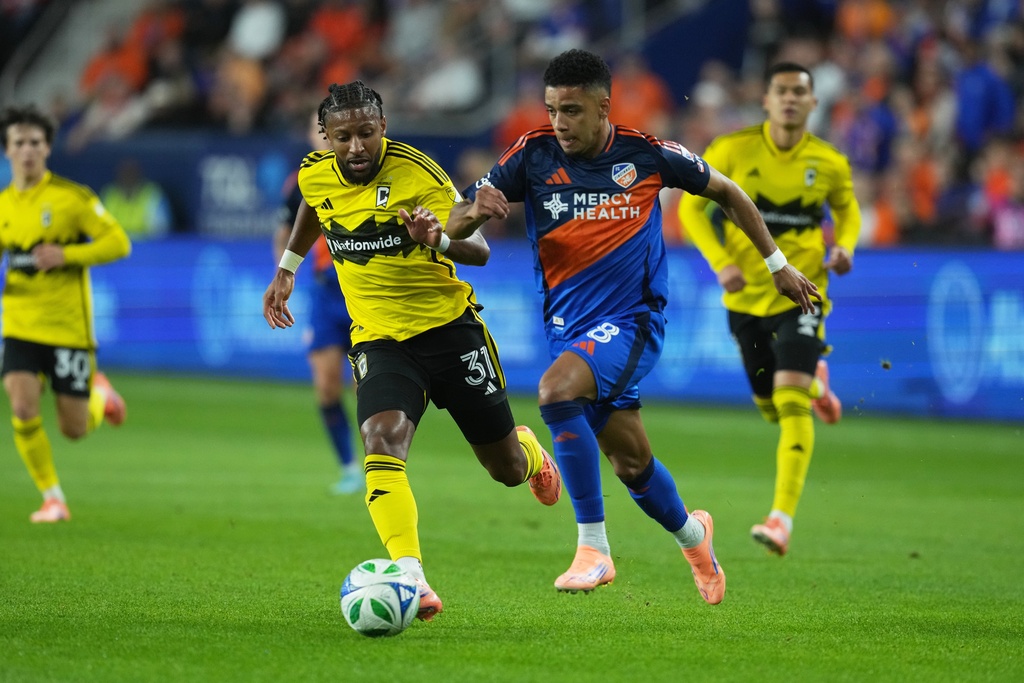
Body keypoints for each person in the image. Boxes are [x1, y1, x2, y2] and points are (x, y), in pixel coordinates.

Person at [443, 49, 820, 604]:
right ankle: (696, 539)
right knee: (632, 462)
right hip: (568, 330)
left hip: (633, 322)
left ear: (603, 107)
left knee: (554, 391)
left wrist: (777, 265)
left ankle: (593, 548)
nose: (558, 123)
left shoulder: (648, 155)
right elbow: (456, 228)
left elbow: (730, 193)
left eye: (571, 110)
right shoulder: (531, 156)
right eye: (550, 109)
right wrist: (473, 213)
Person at [262, 81, 561, 621]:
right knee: (381, 437)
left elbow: (480, 250)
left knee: (505, 468)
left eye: (367, 134)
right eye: (343, 137)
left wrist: (438, 240)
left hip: (450, 333)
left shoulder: (417, 173)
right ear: (326, 137)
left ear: (383, 129)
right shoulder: (313, 171)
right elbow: (314, 205)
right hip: (379, 338)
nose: (356, 147)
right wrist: (288, 266)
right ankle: (411, 575)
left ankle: (531, 454)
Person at [679, 61, 860, 556]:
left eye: (800, 92)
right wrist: (720, 263)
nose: (789, 100)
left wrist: (844, 246)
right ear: (766, 99)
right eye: (781, 91)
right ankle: (817, 382)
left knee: (789, 400)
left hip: (803, 292)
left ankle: (780, 519)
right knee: (768, 406)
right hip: (744, 297)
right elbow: (689, 208)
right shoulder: (732, 151)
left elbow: (848, 209)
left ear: (812, 103)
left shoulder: (829, 161)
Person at [0, 105, 131, 523]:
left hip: (67, 328)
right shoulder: (3, 205)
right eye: (19, 143)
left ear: (48, 148)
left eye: (35, 142)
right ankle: (53, 498)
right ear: (7, 150)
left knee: (73, 429)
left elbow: (118, 243)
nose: (27, 151)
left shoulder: (72, 199)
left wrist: (67, 255)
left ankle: (101, 397)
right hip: (19, 323)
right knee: (21, 406)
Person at [273, 110, 360, 495]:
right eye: (318, 130)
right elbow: (283, 232)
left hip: (362, 291)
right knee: (326, 386)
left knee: (369, 388)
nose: (324, 137)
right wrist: (283, 275)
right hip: (325, 293)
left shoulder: (365, 174)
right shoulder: (300, 184)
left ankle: (382, 465)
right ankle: (348, 467)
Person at [101, 158, 173, 240]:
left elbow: (160, 231)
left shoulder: (152, 195)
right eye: (125, 174)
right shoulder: (110, 194)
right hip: (116, 246)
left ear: (139, 175)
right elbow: (99, 228)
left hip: (147, 248)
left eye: (131, 173)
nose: (128, 178)